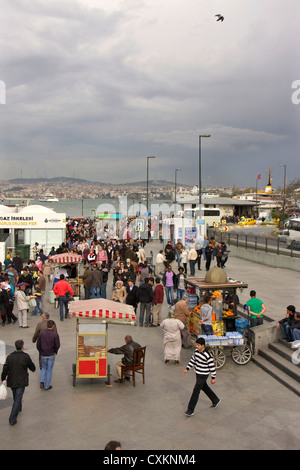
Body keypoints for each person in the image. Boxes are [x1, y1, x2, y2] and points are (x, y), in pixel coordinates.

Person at [1, 339, 36, 425]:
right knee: (17, 398)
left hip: (12, 380)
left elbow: (5, 369)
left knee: (15, 395)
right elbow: (32, 367)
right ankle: (12, 418)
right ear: (22, 347)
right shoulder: (25, 357)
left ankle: (19, 407)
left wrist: (2, 378)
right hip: (21, 380)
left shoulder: (10, 357)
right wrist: (33, 368)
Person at [183, 337, 220, 416]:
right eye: (197, 345)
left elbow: (212, 367)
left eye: (198, 345)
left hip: (204, 374)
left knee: (196, 391)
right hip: (198, 373)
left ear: (203, 346)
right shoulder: (196, 352)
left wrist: (213, 378)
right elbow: (193, 360)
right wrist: (187, 368)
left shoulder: (208, 355)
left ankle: (190, 410)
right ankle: (215, 400)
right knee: (204, 387)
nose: (197, 346)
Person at [36, 320, 60, 390]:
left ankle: (42, 381)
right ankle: (47, 385)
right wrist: (55, 351)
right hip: (51, 354)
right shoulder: (55, 334)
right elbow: (57, 345)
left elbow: (38, 344)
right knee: (49, 369)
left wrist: (40, 351)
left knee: (43, 368)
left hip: (43, 354)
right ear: (53, 326)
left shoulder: (41, 333)